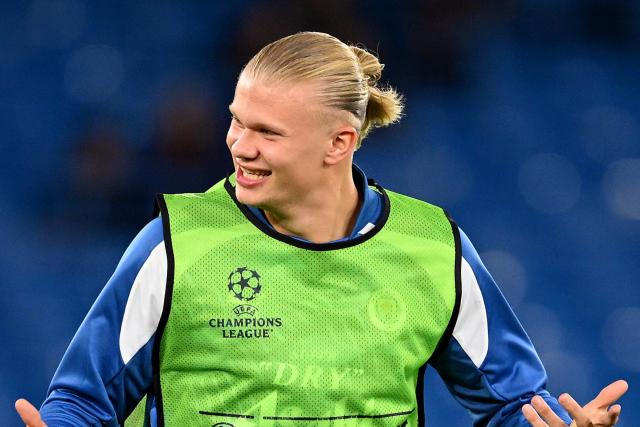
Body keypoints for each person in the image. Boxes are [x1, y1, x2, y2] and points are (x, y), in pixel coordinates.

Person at [16, 31, 627, 427]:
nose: (238, 145)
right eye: (236, 121)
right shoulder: (175, 244)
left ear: (341, 141)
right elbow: (83, 401)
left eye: (268, 132)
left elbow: (511, 403)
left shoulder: (430, 248)